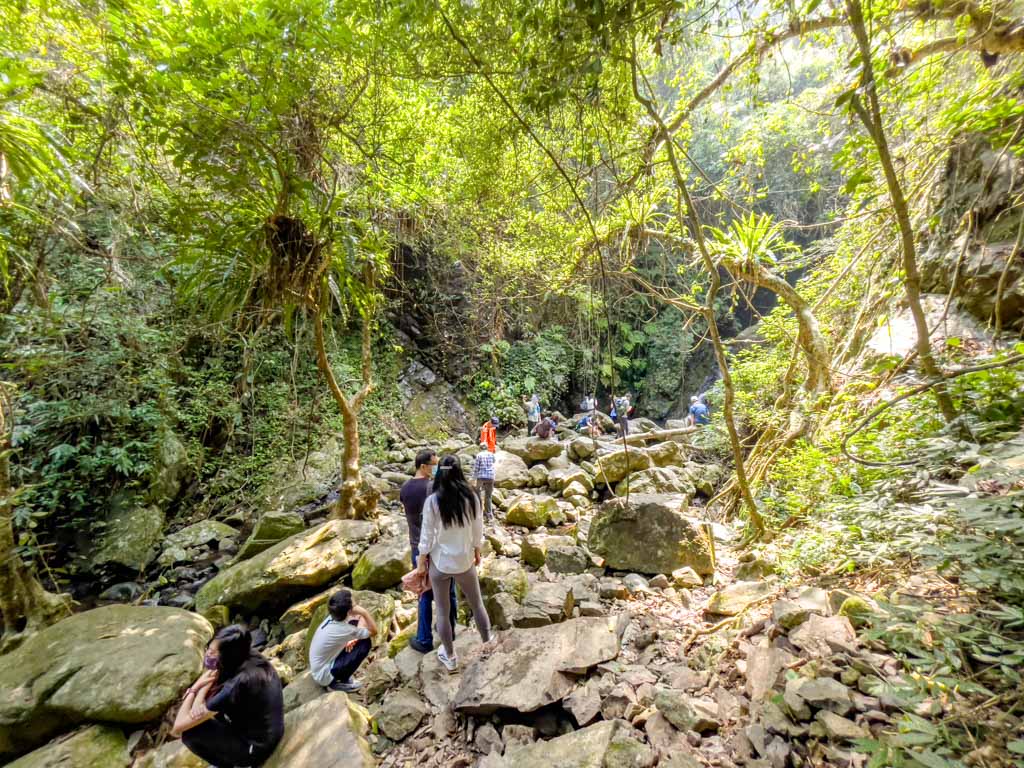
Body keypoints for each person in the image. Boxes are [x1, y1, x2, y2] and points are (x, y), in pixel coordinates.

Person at [416, 455, 492, 672]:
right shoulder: (472, 497)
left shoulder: (433, 501)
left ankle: (450, 656)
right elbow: (478, 529)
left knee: (441, 611)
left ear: (440, 472)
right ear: (460, 471)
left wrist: (422, 563)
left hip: (440, 564)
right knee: (477, 604)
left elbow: (426, 537)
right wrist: (477, 550)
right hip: (465, 561)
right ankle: (487, 643)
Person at [172, 624, 284, 768]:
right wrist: (202, 693)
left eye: (212, 652)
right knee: (206, 712)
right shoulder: (248, 657)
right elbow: (211, 673)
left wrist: (194, 690)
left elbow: (178, 728)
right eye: (208, 649)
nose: (207, 654)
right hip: (268, 731)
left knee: (189, 734)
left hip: (255, 749)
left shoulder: (235, 686)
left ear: (227, 656)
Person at [400, 450, 457, 654]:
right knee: (448, 590)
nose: (436, 468)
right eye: (433, 464)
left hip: (417, 546)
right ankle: (450, 630)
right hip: (437, 547)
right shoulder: (433, 488)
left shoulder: (405, 488)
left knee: (424, 592)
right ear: (424, 466)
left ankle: (424, 637)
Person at [307, 589, 378, 693]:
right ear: (349, 611)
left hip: (321, 663)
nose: (357, 605)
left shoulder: (334, 616)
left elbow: (358, 617)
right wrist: (364, 612)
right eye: (355, 605)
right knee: (365, 643)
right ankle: (337, 683)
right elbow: (374, 631)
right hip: (323, 675)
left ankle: (339, 676)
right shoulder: (344, 629)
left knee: (357, 630)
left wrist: (354, 637)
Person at [472, 442, 496, 523]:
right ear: (487, 447)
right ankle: (489, 515)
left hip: (481, 477)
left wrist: (473, 479)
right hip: (490, 477)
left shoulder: (479, 455)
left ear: (480, 448)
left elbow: (476, 468)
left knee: (477, 494)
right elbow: (494, 462)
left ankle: (479, 513)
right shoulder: (491, 454)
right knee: (488, 496)